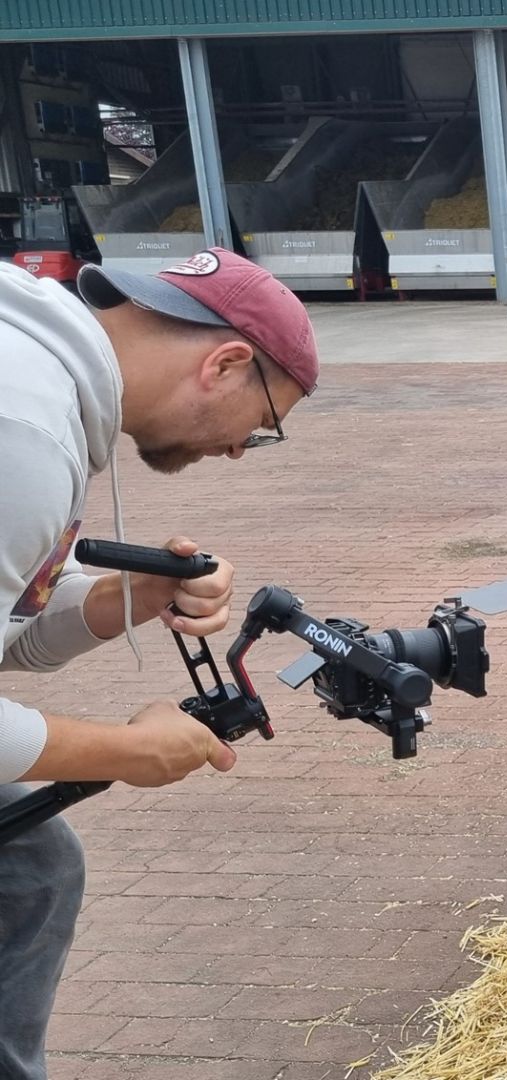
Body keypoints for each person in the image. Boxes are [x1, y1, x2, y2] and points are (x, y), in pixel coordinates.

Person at [0, 246, 318, 1079]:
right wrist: (127, 752)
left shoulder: (41, 381)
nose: (245, 450)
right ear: (226, 362)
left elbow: (12, 635)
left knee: (31, 867)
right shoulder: (24, 431)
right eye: (265, 424)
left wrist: (123, 599)